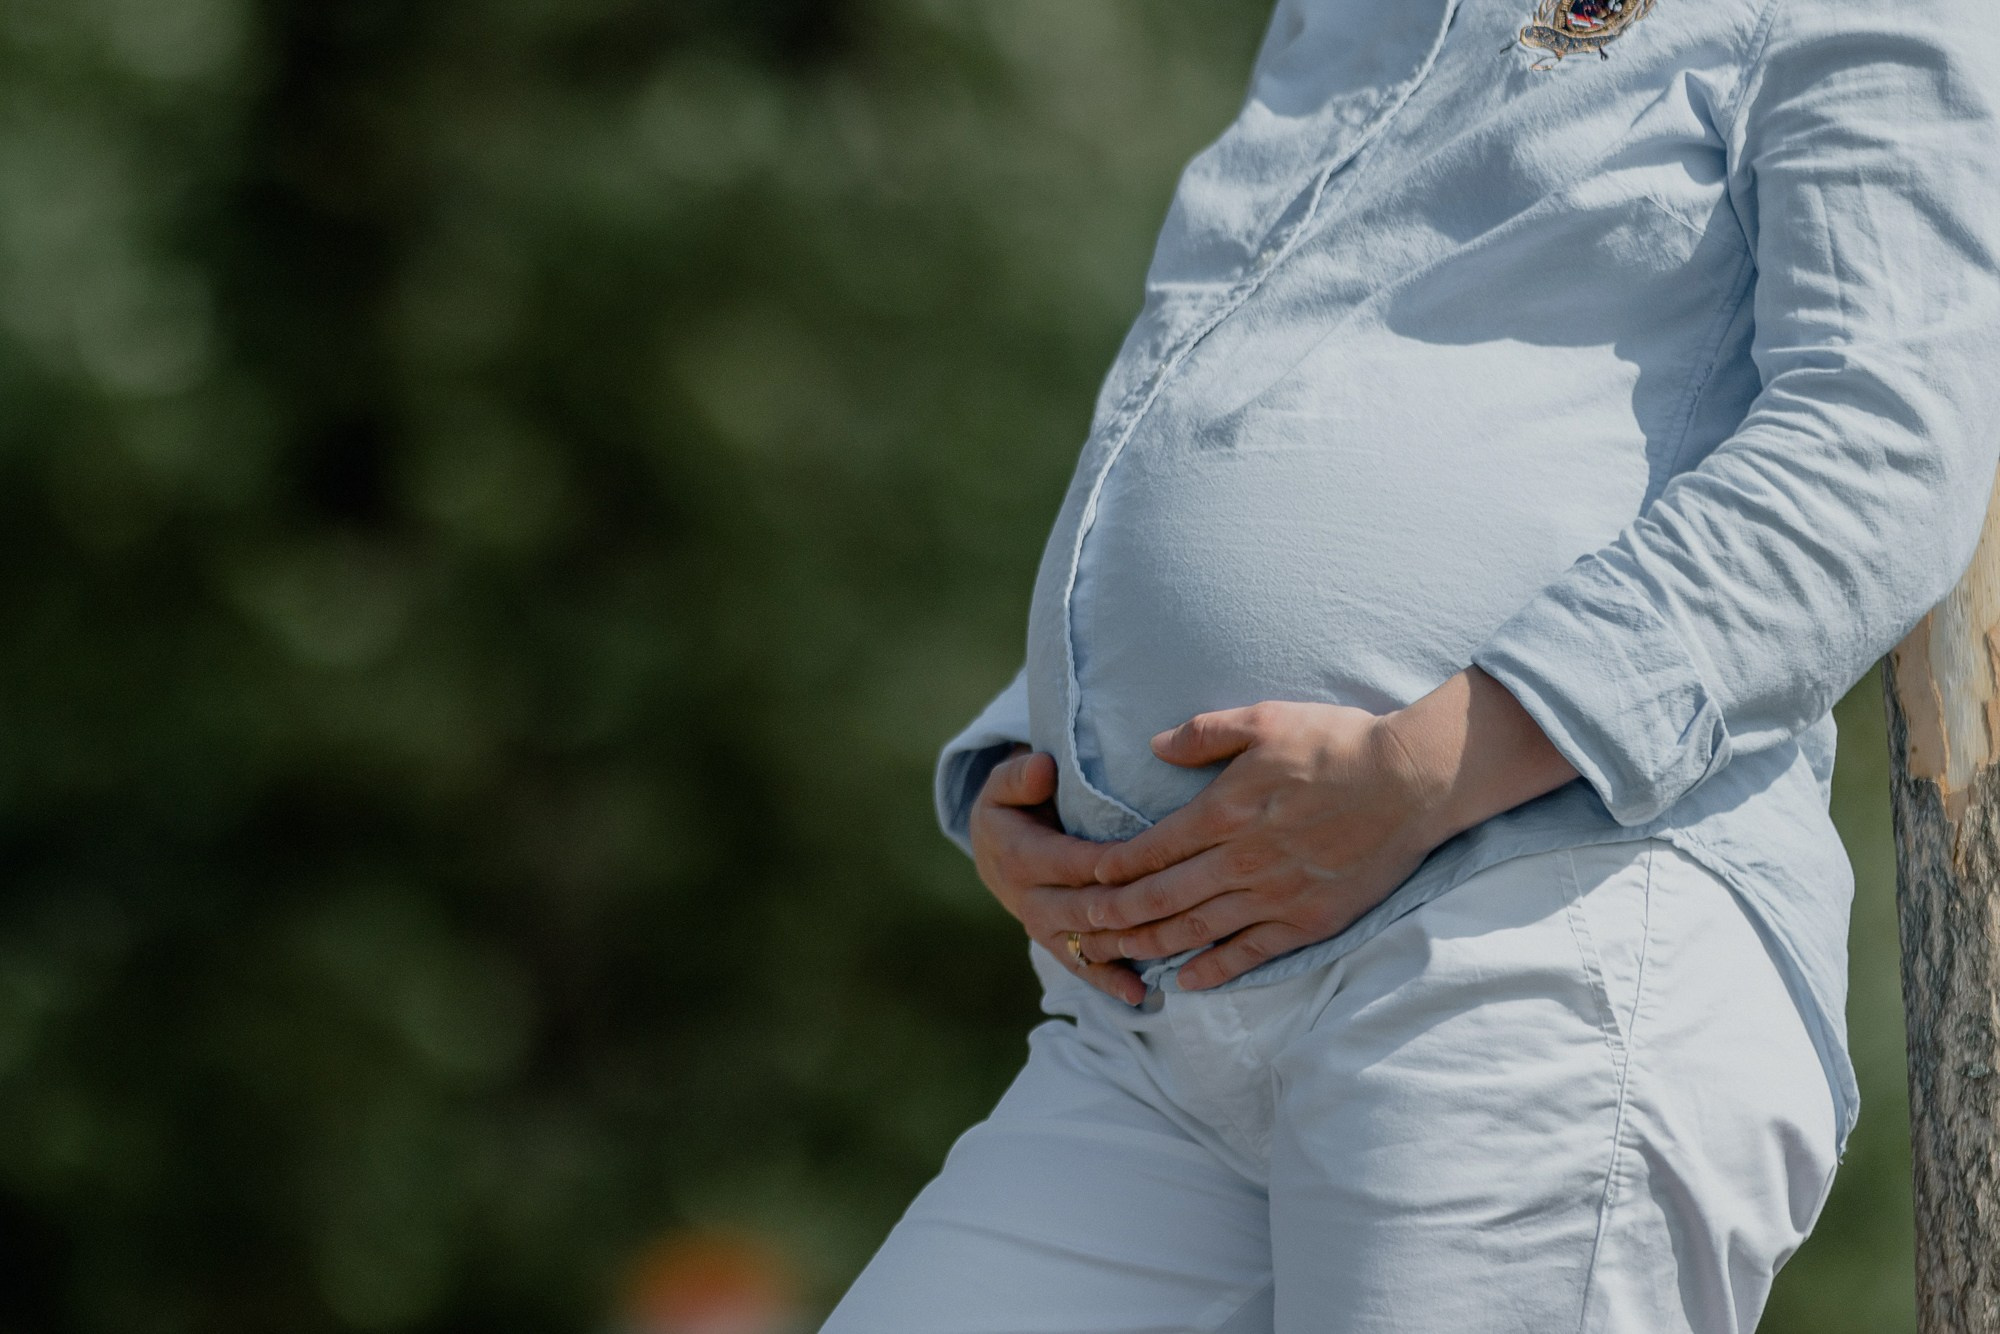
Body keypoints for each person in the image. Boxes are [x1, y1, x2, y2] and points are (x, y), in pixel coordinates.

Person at [823, 0, 2000, 1328]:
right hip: (1155, 1015)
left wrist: (1432, 766)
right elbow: (1225, 396)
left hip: (1532, 938)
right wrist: (1044, 758)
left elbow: (1883, 442)